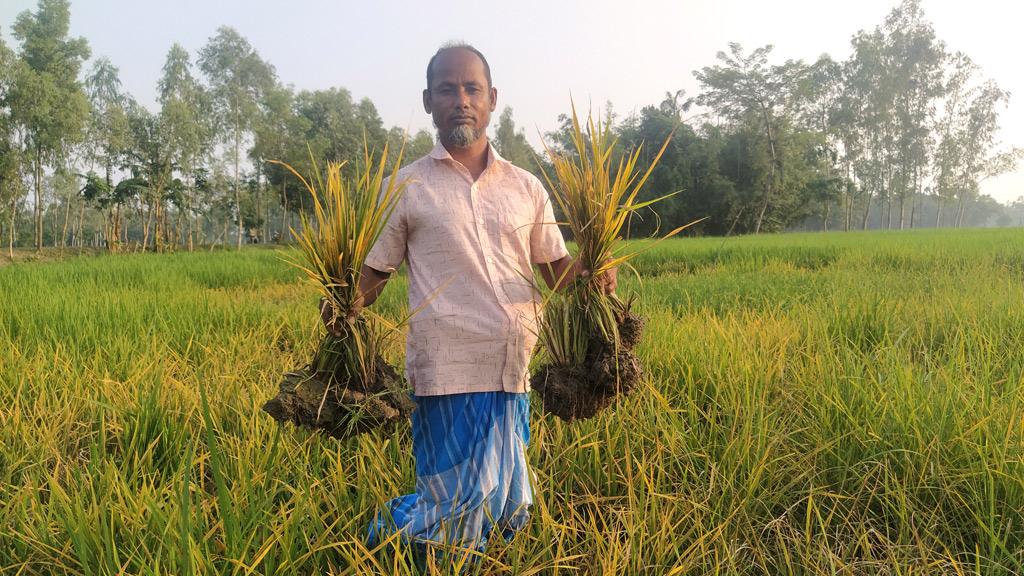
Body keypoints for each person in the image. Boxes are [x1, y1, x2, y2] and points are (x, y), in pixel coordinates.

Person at [321, 42, 616, 556]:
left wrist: (592, 273)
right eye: (447, 89)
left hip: (513, 366)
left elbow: (556, 272)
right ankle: (397, 548)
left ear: (492, 98)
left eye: (472, 88)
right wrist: (343, 304)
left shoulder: (526, 187)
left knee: (507, 502)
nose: (461, 99)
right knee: (451, 507)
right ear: (428, 101)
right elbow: (374, 273)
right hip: (447, 369)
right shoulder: (405, 187)